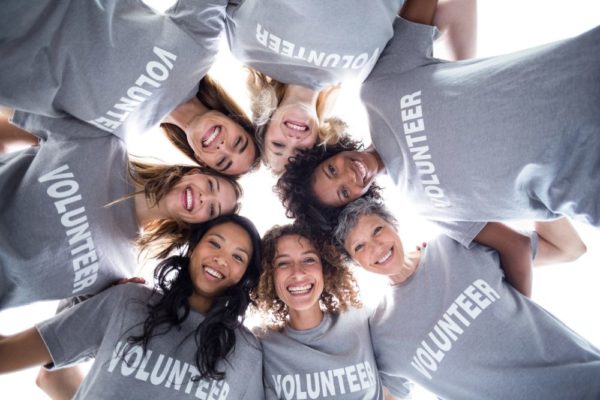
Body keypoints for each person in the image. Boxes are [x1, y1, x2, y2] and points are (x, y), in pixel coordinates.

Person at [278, 0, 600, 237]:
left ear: (330, 152)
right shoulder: (424, 209)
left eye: (331, 169)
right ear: (354, 204)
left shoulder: (377, 90)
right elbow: (516, 249)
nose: (348, 174)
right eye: (344, 192)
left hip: (580, 76)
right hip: (586, 185)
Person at [333, 197, 600, 399]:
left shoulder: (455, 243)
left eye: (377, 230)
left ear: (392, 224)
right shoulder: (381, 335)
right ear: (355, 262)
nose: (376, 247)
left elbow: (569, 248)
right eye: (359, 247)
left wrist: (521, 186)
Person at [0, 214, 265, 399]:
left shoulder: (246, 351)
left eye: (237, 257)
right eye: (214, 243)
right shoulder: (130, 301)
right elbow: (14, 356)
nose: (220, 258)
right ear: (194, 248)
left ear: (246, 275)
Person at [0, 113, 243, 311]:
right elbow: (16, 109)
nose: (204, 197)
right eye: (211, 186)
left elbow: (62, 332)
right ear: (194, 172)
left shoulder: (121, 268)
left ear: (198, 226)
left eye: (212, 209)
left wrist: (111, 303)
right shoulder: (102, 142)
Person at [228, 0, 477, 174]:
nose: (292, 140)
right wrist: (462, 92)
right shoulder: (370, 72)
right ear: (317, 142)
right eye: (300, 152)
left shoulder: (245, 48)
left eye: (278, 145)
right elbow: (456, 9)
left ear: (265, 124)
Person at [254, 224, 387, 399]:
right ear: (269, 275)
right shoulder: (261, 344)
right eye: (283, 263)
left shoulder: (361, 321)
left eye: (309, 260)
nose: (298, 273)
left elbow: (394, 387)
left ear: (326, 267)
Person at [161, 75, 260, 176]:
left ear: (200, 159)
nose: (222, 147)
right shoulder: (196, 63)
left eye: (222, 161)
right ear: (236, 120)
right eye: (237, 142)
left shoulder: (144, 124)